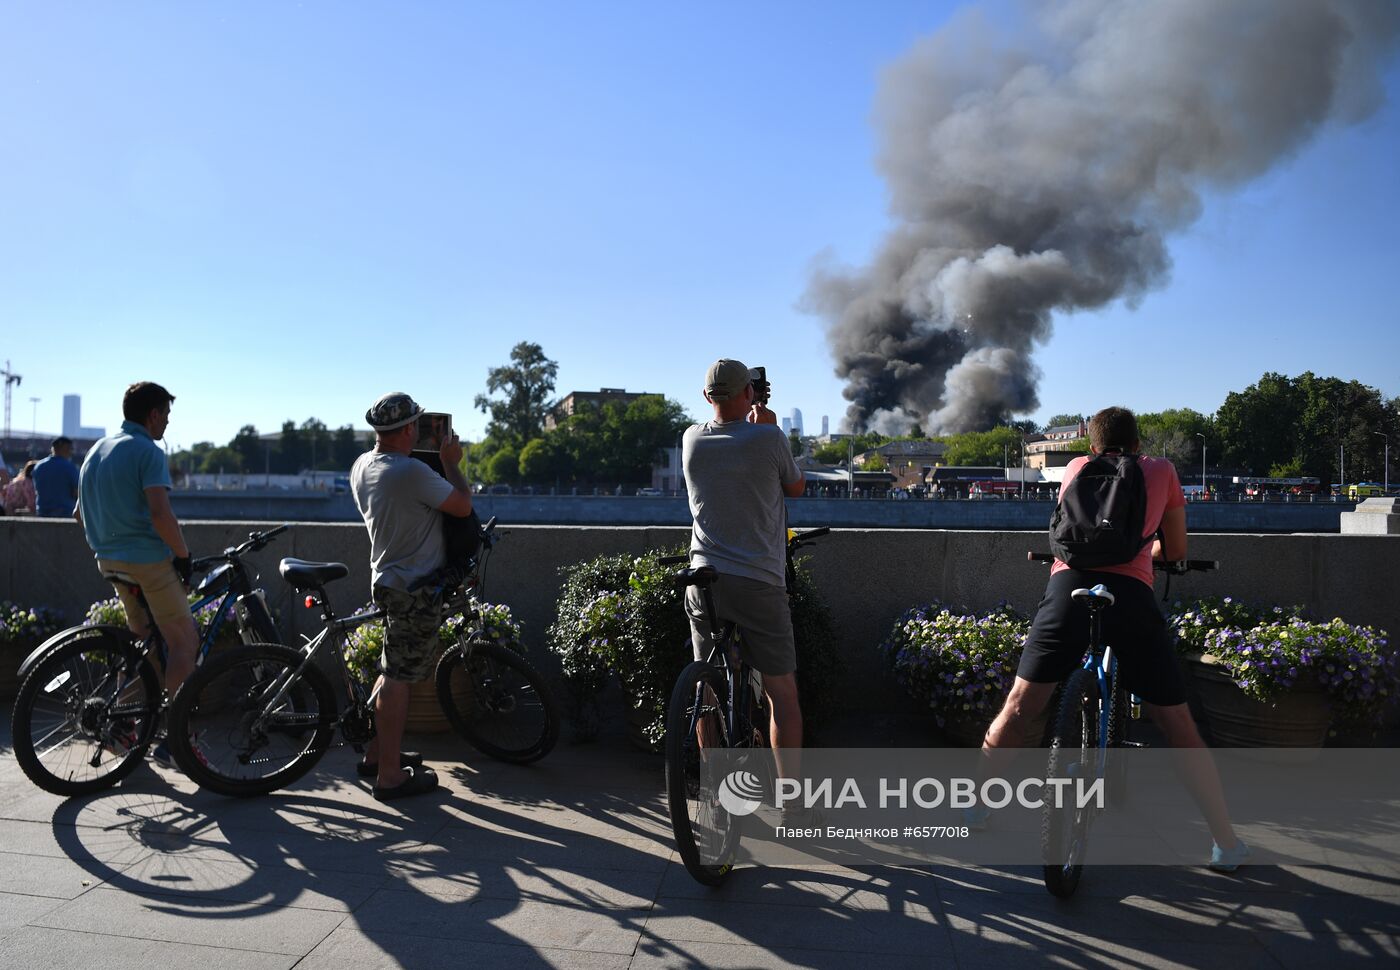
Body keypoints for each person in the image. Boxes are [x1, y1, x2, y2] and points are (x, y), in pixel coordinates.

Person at [975, 406, 1249, 872]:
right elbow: (1178, 549)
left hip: (1068, 587)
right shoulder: (1161, 470)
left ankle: (975, 806)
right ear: (1139, 443)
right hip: (1129, 595)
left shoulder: (1078, 468)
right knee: (1177, 723)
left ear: (1092, 446)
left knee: (1021, 704)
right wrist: (1148, 549)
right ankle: (1225, 843)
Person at [681, 359, 807, 787]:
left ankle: (714, 784)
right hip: (758, 583)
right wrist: (768, 426)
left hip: (704, 580)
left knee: (706, 691)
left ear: (706, 397)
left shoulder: (690, 439)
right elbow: (795, 487)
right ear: (749, 394)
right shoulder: (768, 437)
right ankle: (793, 803)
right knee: (782, 695)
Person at [351, 391, 474, 801]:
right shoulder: (410, 473)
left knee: (392, 668)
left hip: (387, 578)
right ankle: (389, 777)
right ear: (407, 429)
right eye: (417, 424)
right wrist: (452, 464)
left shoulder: (363, 465)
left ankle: (376, 753)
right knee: (400, 678)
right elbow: (461, 506)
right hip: (414, 587)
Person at [76, 382, 199, 769]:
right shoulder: (148, 450)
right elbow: (161, 515)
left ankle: (122, 728)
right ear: (153, 414)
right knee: (183, 641)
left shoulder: (97, 450)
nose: (167, 421)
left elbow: (79, 514)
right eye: (165, 414)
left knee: (141, 643)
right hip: (147, 561)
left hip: (109, 559)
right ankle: (180, 739)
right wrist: (182, 557)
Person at [33, 436, 80, 517]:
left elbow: (36, 489)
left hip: (42, 512)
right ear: (65, 448)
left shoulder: (39, 466)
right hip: (65, 512)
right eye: (71, 449)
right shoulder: (69, 467)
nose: (71, 452)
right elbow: (78, 491)